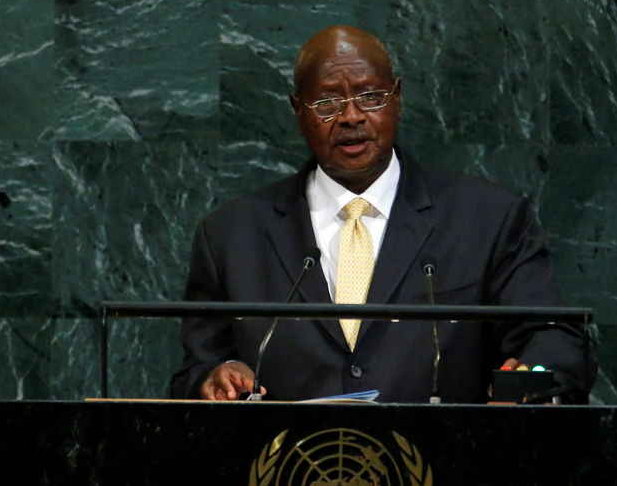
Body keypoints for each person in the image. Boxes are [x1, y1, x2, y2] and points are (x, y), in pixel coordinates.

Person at [170, 25, 595, 403]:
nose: (351, 116)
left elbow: (551, 340)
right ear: (298, 112)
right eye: (327, 103)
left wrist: (531, 382)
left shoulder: (490, 219)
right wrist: (213, 379)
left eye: (370, 96)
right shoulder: (231, 235)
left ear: (397, 98)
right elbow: (194, 372)